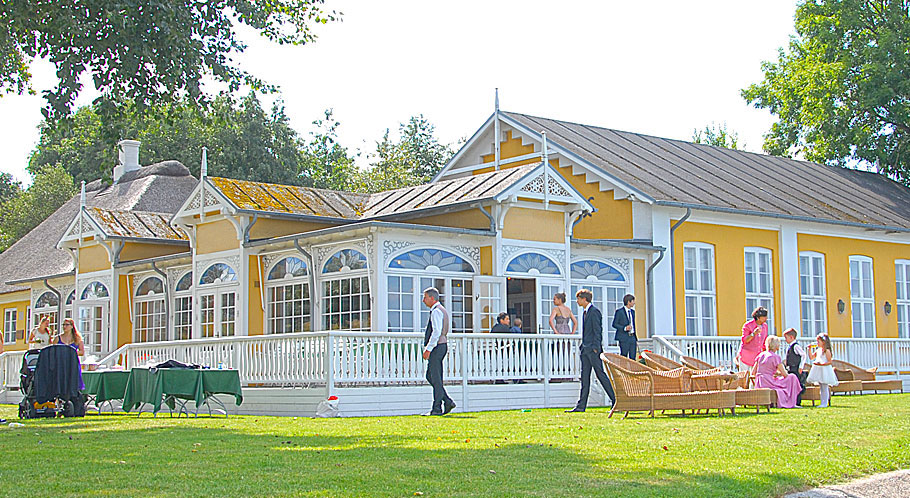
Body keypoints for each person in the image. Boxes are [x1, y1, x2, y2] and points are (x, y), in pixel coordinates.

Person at [566, 288, 616, 412]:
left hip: (593, 350)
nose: (577, 301)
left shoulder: (594, 312)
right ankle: (581, 406)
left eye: (578, 298)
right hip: (586, 350)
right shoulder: (585, 312)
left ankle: (615, 400)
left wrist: (595, 348)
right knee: (585, 377)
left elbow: (597, 331)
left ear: (584, 299)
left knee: (600, 374)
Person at [421, 287, 455, 416]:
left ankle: (437, 408)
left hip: (437, 346)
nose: (423, 300)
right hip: (441, 345)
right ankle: (446, 401)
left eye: (425, 297)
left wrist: (428, 349)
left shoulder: (436, 312)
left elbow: (436, 332)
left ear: (432, 298)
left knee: (435, 377)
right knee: (432, 376)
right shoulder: (442, 310)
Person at [751, 336, 803, 408]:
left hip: (760, 382)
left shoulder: (761, 355)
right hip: (769, 382)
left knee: (785, 378)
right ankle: (792, 401)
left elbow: (753, 372)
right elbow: (785, 374)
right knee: (792, 377)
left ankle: (791, 400)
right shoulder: (776, 357)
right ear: (776, 346)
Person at [806, 333, 838, 408]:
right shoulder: (818, 350)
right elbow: (811, 357)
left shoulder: (826, 351)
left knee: (825, 386)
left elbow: (829, 361)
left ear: (823, 342)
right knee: (821, 386)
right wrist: (809, 349)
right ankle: (822, 402)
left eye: (818, 342)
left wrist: (822, 364)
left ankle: (825, 402)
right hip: (819, 369)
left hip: (825, 370)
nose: (817, 343)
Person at [737, 307, 769, 372]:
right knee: (744, 377)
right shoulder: (748, 325)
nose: (766, 318)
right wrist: (754, 333)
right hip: (746, 356)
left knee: (755, 378)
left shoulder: (765, 326)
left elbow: (764, 342)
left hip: (757, 357)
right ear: (758, 317)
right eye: (764, 316)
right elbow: (745, 340)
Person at [783, 328, 808, 405]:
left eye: (786, 338)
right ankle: (792, 400)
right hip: (790, 368)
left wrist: (801, 366)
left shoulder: (796, 346)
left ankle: (798, 401)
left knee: (797, 384)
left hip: (795, 368)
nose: (785, 340)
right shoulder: (790, 347)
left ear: (791, 337)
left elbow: (803, 355)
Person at [611, 294, 638, 359]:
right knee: (624, 356)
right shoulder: (619, 312)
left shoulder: (633, 312)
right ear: (629, 302)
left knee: (633, 357)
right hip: (624, 338)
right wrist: (624, 328)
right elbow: (614, 324)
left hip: (632, 337)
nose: (634, 303)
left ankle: (632, 369)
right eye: (633, 301)